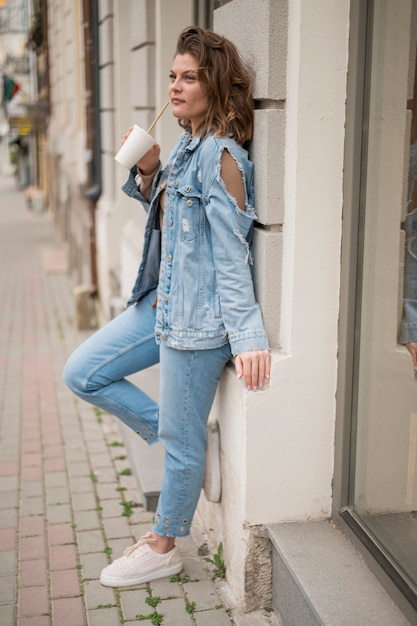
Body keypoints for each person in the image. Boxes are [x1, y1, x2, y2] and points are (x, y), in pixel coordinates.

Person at [63, 25, 270, 587]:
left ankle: (163, 543)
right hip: (160, 304)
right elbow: (166, 219)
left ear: (216, 85)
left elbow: (233, 258)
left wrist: (249, 338)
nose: (175, 87)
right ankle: (185, 447)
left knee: (181, 440)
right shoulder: (187, 145)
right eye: (173, 77)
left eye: (190, 78)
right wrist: (151, 167)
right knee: (82, 373)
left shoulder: (224, 158)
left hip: (198, 325)